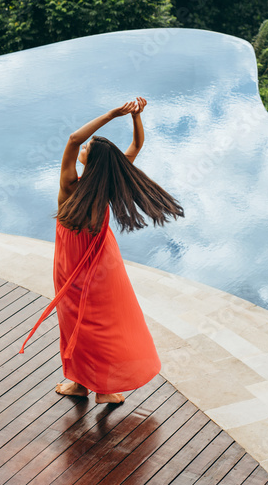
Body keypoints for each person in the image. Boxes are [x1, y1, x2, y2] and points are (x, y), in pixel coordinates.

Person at [19, 97, 184, 404]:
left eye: (87, 148)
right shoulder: (106, 184)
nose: (82, 147)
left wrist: (114, 114)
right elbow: (136, 145)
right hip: (102, 268)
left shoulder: (70, 185)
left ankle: (82, 384)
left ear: (90, 160)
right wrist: (137, 117)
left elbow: (72, 138)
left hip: (70, 269)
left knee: (75, 325)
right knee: (102, 324)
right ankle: (100, 387)